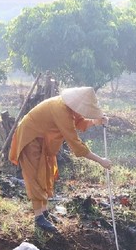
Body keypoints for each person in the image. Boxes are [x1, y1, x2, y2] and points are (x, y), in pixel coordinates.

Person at [9, 87, 112, 232]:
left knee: (44, 174)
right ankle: (38, 217)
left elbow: (79, 122)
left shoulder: (69, 108)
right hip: (30, 137)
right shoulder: (61, 110)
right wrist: (100, 160)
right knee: (34, 176)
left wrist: (96, 121)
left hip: (43, 139)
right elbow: (75, 144)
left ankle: (44, 212)